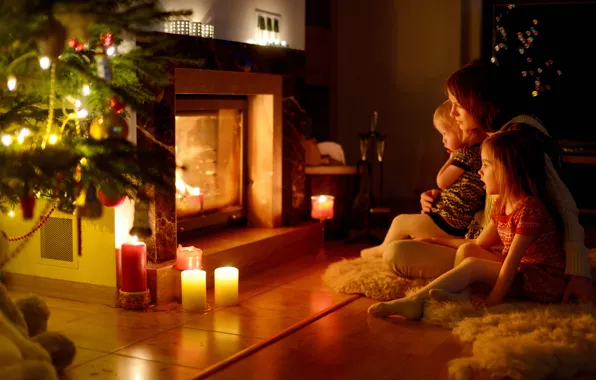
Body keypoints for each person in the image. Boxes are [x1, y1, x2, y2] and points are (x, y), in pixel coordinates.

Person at [384, 60, 596, 304]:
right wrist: (438, 195)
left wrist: (579, 272)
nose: (452, 114)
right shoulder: (490, 138)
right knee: (401, 249)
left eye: (457, 106)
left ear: (480, 102)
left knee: (398, 254)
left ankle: (465, 285)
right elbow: (477, 194)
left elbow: (566, 207)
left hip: (519, 259)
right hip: (482, 240)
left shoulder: (518, 141)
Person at [369, 130, 567, 318]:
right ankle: (462, 295)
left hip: (542, 281)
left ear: (509, 170)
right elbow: (478, 243)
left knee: (473, 265)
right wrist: (435, 240)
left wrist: (494, 299)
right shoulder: (502, 203)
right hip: (522, 273)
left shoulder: (530, 209)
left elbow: (512, 261)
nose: (480, 171)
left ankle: (414, 301)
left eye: (486, 165)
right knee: (468, 251)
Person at [360, 101, 485, 259]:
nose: (443, 140)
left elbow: (441, 180)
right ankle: (388, 249)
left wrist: (452, 157)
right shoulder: (478, 154)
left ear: (462, 130)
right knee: (408, 229)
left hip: (448, 223)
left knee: (400, 222)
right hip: (452, 221)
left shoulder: (465, 155)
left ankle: (382, 249)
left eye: (445, 134)